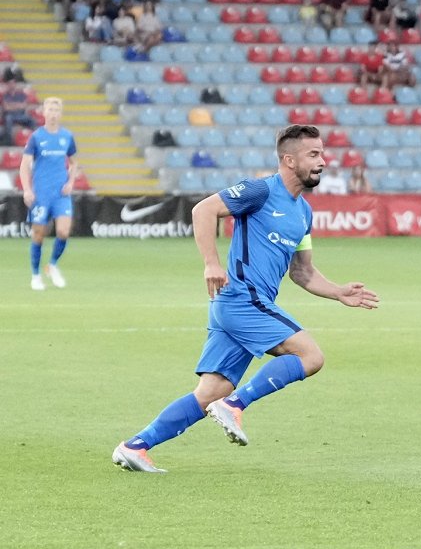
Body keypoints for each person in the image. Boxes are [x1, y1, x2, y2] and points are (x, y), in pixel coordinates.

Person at [111, 125, 379, 473]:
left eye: (322, 154)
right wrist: (211, 263)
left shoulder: (304, 212)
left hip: (237, 308)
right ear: (288, 159)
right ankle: (235, 405)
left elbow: (303, 272)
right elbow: (202, 211)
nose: (323, 161)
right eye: (313, 154)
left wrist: (339, 292)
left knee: (209, 391)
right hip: (242, 299)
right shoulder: (259, 191)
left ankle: (136, 446)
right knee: (310, 356)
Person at [19, 97, 78, 291]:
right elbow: (24, 166)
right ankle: (35, 276)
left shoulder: (67, 137)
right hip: (41, 194)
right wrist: (27, 189)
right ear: (43, 112)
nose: (53, 113)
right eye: (50, 110)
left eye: (56, 110)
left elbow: (74, 162)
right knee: (38, 235)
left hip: (61, 194)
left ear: (60, 113)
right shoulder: (36, 137)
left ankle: (52, 265)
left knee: (63, 231)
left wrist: (70, 182)